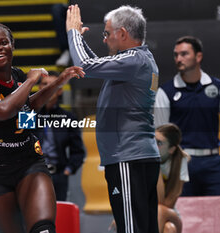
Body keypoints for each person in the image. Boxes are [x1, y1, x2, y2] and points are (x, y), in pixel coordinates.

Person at [0, 23, 84, 233]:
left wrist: (58, 82)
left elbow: (29, 105)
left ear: (12, 45)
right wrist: (30, 81)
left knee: (43, 229)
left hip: (28, 163)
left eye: (3, 42)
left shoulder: (17, 76)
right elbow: (3, 110)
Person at [66, 4, 160, 233]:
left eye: (107, 33)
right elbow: (94, 65)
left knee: (130, 229)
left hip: (127, 158)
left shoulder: (133, 61)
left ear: (123, 34)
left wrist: (71, 33)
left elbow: (85, 65)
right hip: (139, 156)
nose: (105, 39)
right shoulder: (142, 60)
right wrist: (80, 41)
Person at [154, 36, 220, 196]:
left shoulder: (219, 88)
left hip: (213, 163)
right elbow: (159, 135)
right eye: (176, 55)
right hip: (180, 164)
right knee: (184, 216)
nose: (179, 59)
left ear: (198, 56)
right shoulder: (165, 92)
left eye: (184, 54)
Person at [35, 71, 85, 201]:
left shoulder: (68, 117)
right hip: (32, 175)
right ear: (39, 88)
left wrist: (67, 170)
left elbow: (78, 151)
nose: (47, 88)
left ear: (60, 91)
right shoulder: (29, 115)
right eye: (44, 84)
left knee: (59, 215)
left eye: (53, 85)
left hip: (58, 175)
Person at [155, 123, 190, 233]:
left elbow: (167, 203)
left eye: (159, 143)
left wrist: (155, 165)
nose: (154, 146)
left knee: (160, 212)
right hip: (146, 211)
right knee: (169, 229)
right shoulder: (143, 160)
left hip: (168, 211)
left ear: (171, 149)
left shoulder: (181, 160)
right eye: (152, 141)